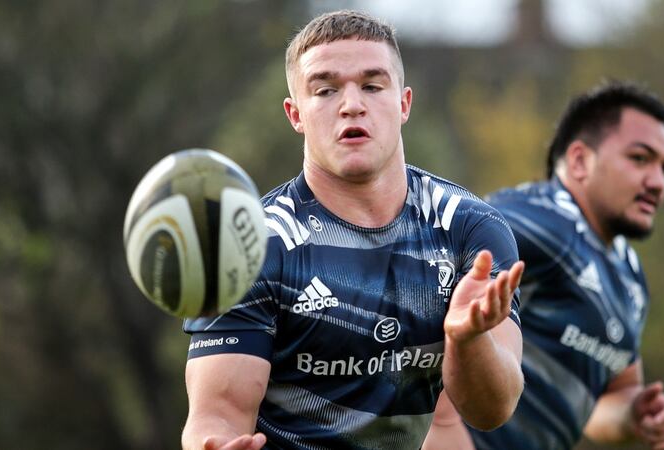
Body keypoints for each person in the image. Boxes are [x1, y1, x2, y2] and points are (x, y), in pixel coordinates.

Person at [181, 9, 526, 450]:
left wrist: (467, 338)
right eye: (325, 90)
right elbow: (217, 415)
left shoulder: (470, 230)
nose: (351, 104)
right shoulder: (249, 247)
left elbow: (492, 411)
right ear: (296, 114)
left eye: (371, 85)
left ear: (403, 103)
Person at [423, 81, 664, 450]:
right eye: (639, 158)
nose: (657, 182)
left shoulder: (630, 277)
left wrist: (636, 414)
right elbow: (429, 259)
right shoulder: (542, 221)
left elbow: (610, 400)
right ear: (579, 161)